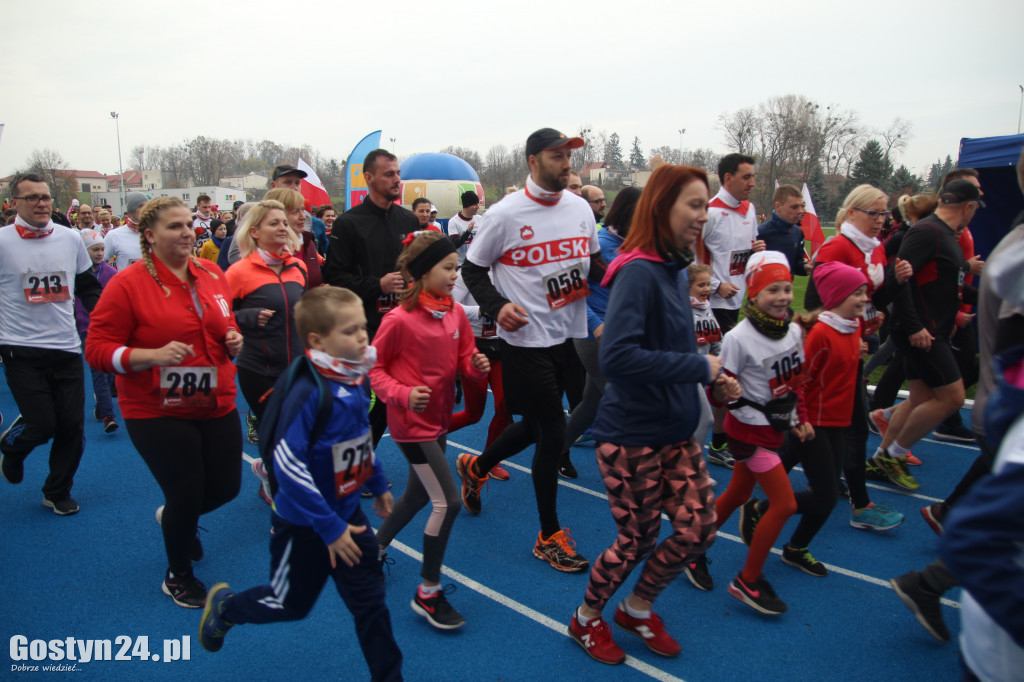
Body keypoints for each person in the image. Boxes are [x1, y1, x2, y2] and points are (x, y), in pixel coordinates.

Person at [567, 164, 735, 665]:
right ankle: (586, 619)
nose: (703, 217)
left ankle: (636, 608)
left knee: (699, 527)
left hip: (675, 430)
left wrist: (711, 379)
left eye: (706, 205)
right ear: (662, 208)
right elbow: (617, 357)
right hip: (632, 435)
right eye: (695, 205)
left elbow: (674, 348)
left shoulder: (673, 267)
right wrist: (698, 367)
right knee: (637, 539)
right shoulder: (639, 271)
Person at [197, 287, 402, 681]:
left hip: (349, 517)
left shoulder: (356, 377)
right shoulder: (308, 391)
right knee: (290, 604)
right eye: (350, 331)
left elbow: (358, 438)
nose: (362, 337)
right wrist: (327, 526)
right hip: (304, 527)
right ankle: (226, 608)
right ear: (317, 341)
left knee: (371, 604)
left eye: (363, 327)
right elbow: (287, 465)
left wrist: (376, 482)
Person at [456, 127, 605, 573]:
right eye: (557, 156)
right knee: (553, 434)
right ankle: (548, 536)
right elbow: (473, 268)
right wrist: (498, 306)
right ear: (533, 161)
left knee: (538, 427)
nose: (567, 164)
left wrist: (628, 279)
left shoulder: (580, 207)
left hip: (568, 333)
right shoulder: (504, 215)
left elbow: (594, 263)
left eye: (569, 156)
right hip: (524, 340)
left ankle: (476, 467)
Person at [85, 197, 244, 607]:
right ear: (149, 235)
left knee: (226, 488)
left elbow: (224, 324)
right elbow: (97, 349)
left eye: (189, 224)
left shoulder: (212, 272)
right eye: (175, 226)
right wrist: (148, 357)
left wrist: (233, 339)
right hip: (155, 407)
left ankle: (177, 515)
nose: (188, 232)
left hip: (216, 398)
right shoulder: (127, 284)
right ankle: (178, 574)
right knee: (187, 488)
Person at [370, 232, 489, 630]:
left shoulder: (453, 312)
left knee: (417, 496)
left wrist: (476, 367)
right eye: (448, 268)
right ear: (422, 272)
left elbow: (464, 360)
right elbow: (373, 370)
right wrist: (402, 394)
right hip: (410, 426)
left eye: (456, 267)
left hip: (437, 421)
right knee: (448, 502)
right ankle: (428, 592)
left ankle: (374, 548)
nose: (455, 275)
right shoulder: (398, 320)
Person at [706, 251, 814, 615]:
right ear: (753, 295)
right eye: (772, 290)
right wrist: (724, 388)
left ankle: (693, 545)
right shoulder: (738, 337)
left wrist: (799, 416)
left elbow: (793, 380)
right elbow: (718, 388)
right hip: (748, 432)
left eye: (786, 288)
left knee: (738, 491)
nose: (783, 297)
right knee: (784, 504)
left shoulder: (794, 330)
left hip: (773, 428)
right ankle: (747, 579)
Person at [0, 172, 103, 515]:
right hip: (19, 349)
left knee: (72, 427)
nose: (42, 203)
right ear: (14, 203)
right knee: (43, 424)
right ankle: (13, 448)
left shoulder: (69, 238)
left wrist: (104, 319)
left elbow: (87, 285)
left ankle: (56, 491)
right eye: (32, 198)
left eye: (45, 197)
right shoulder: (2, 242)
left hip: (66, 347)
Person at [873, 179, 981, 489]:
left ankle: (882, 455)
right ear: (968, 207)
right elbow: (901, 280)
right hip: (923, 332)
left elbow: (946, 285)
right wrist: (915, 326)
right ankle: (893, 455)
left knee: (921, 396)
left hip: (934, 329)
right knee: (952, 397)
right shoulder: (927, 232)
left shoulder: (945, 235)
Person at [323, 149, 419, 447]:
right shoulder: (348, 223)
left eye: (398, 173)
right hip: (365, 328)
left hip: (404, 325)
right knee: (364, 402)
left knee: (394, 401)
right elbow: (335, 277)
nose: (397, 180)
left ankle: (363, 459)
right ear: (369, 177)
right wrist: (378, 284)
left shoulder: (408, 220)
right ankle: (347, 460)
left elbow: (417, 268)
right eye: (389, 174)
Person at [559, 187, 642, 479]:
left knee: (591, 405)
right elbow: (569, 291)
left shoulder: (635, 245)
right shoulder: (598, 244)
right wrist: (596, 324)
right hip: (592, 334)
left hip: (622, 334)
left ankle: (554, 449)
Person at [226, 199, 307, 453]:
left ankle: (278, 479)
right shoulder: (238, 272)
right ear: (254, 232)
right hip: (259, 370)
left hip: (297, 367)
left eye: (285, 222)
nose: (283, 227)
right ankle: (272, 484)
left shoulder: (299, 267)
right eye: (274, 223)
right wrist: (247, 317)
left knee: (300, 433)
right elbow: (219, 316)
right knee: (275, 435)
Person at [701, 153, 765, 470]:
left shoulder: (749, 209)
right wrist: (715, 285)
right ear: (728, 178)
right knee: (719, 376)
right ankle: (717, 442)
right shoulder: (710, 213)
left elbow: (748, 246)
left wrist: (757, 250)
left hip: (737, 303)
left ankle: (720, 439)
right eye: (746, 177)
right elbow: (691, 259)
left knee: (725, 375)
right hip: (710, 307)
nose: (752, 183)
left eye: (753, 176)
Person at [449, 267, 513, 481]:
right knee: (473, 414)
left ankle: (489, 461)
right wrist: (480, 310)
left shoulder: (515, 270)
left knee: (505, 406)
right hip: (473, 347)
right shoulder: (467, 273)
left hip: (504, 345)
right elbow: (449, 305)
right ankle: (427, 437)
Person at [74, 229, 119, 433]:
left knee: (109, 369)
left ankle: (102, 404)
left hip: (109, 328)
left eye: (102, 249)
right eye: (95, 250)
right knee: (97, 371)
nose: (100, 253)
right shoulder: (75, 273)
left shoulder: (110, 272)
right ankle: (108, 414)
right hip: (85, 328)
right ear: (84, 251)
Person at [265, 187, 323, 287]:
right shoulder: (263, 254)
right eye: (295, 212)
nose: (303, 217)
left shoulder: (309, 244)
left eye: (303, 210)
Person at [757, 184, 810, 277]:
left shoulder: (798, 233)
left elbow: (795, 265)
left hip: (786, 290)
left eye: (802, 206)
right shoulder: (761, 233)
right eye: (795, 207)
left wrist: (806, 267)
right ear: (778, 206)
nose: (801, 211)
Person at [105, 191, 148, 270]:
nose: (144, 209)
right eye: (140, 206)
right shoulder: (114, 235)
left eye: (147, 206)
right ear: (131, 209)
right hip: (127, 281)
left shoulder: (155, 234)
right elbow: (101, 262)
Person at [446, 190, 481, 267]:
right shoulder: (454, 221)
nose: (478, 207)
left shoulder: (480, 219)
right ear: (467, 205)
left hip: (476, 264)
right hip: (460, 265)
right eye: (475, 204)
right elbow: (455, 244)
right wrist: (468, 232)